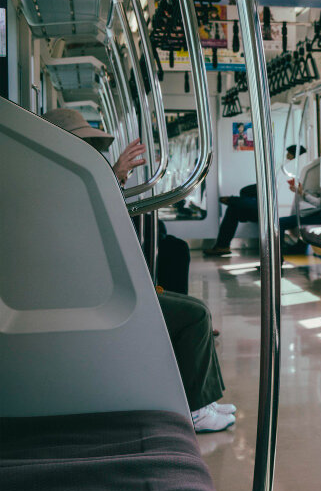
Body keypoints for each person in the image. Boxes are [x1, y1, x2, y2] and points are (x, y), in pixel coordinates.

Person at [41, 108, 236, 433]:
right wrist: (115, 175)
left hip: (91, 284)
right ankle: (197, 409)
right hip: (89, 294)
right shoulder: (58, 185)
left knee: (195, 305)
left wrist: (115, 176)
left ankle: (205, 400)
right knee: (195, 315)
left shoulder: (60, 181)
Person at [205, 150, 321, 256]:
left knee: (276, 223)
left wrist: (302, 193)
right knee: (236, 207)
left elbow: (318, 203)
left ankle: (275, 260)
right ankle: (234, 205)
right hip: (316, 214)